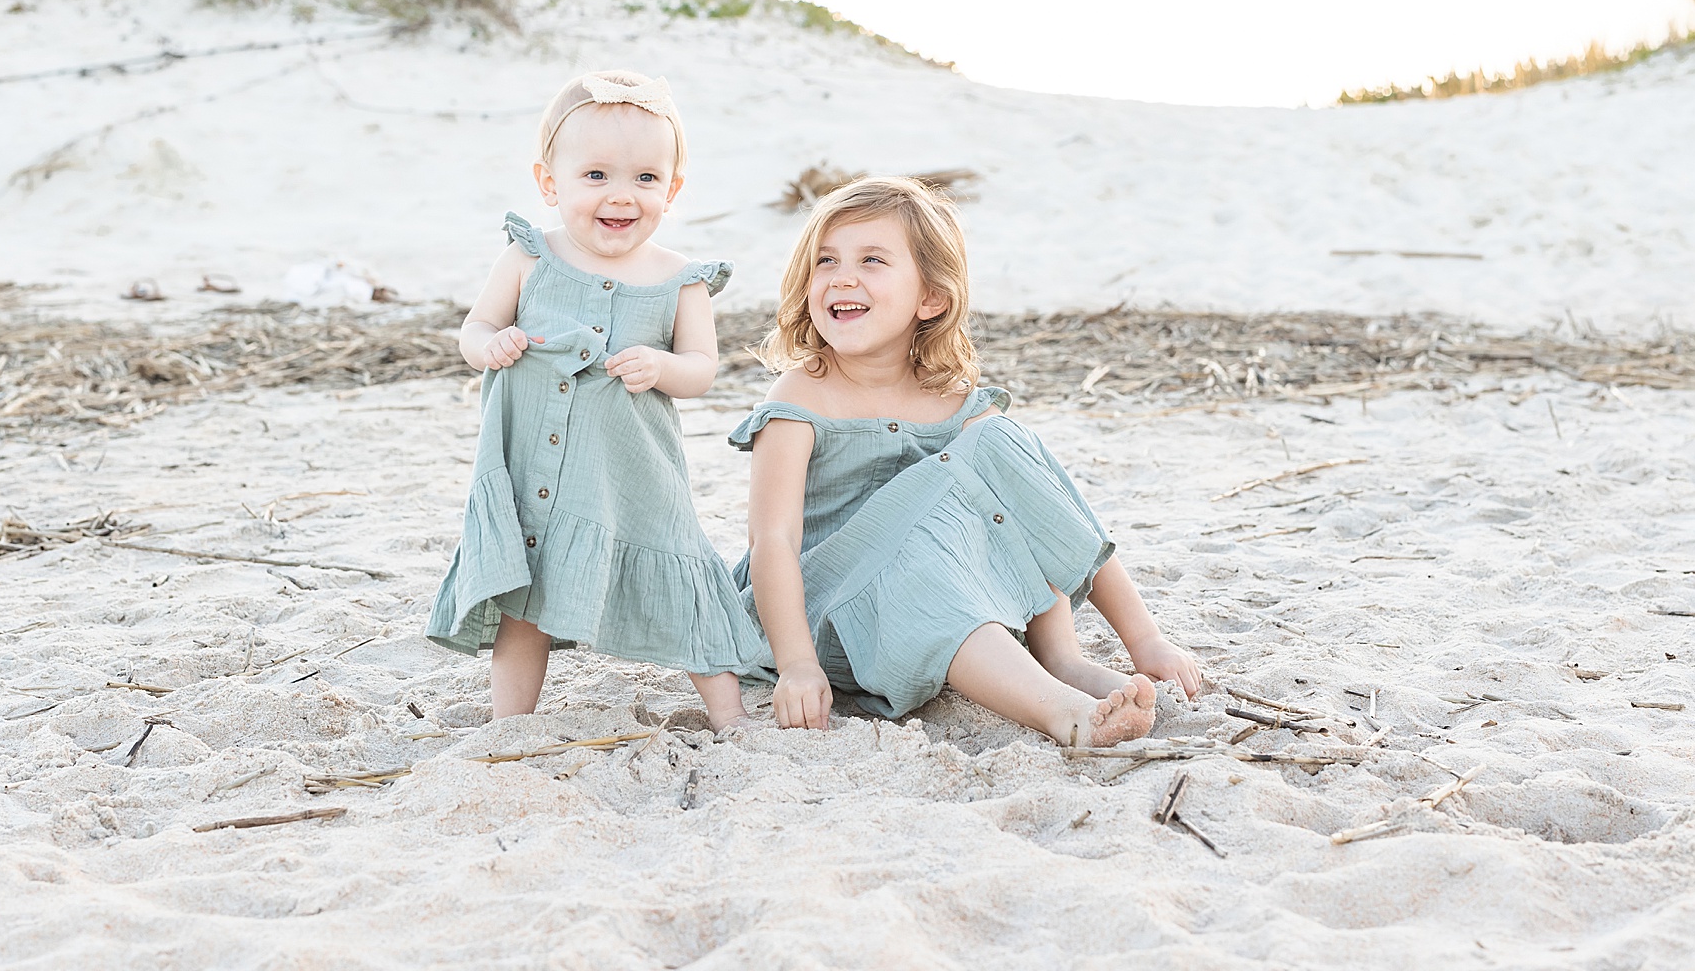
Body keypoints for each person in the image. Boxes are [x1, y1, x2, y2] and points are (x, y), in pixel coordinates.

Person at [732, 177, 1201, 746]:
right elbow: (772, 541)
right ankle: (1059, 711)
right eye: (825, 260)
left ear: (931, 297)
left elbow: (1044, 513)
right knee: (938, 530)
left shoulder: (956, 400)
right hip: (829, 619)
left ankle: (1064, 660)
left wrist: (1148, 643)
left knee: (1001, 448)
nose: (842, 276)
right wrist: (798, 665)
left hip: (940, 599)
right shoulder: (802, 396)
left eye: (872, 260)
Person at [424, 70, 761, 731]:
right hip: (534, 479)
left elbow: (702, 368)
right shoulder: (529, 258)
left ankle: (730, 717)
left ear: (673, 188)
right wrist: (490, 346)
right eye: (597, 176)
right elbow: (475, 327)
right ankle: (509, 723)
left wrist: (663, 365)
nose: (621, 196)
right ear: (551, 183)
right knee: (523, 604)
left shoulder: (678, 279)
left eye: (645, 179)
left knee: (683, 581)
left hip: (630, 477)